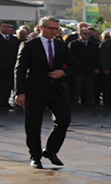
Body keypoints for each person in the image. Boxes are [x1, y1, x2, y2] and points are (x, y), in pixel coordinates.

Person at [14, 16, 78, 169]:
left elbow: (75, 66)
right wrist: (19, 92)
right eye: (51, 28)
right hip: (34, 90)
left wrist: (62, 72)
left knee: (64, 120)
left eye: (57, 29)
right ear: (42, 28)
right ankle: (35, 157)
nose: (55, 31)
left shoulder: (61, 46)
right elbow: (20, 69)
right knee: (33, 125)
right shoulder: (29, 45)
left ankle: (51, 151)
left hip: (56, 89)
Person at [0, 22, 21, 109]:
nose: (6, 28)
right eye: (4, 27)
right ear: (0, 28)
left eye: (8, 27)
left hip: (10, 66)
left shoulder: (14, 40)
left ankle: (5, 101)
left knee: (8, 85)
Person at [68, 28, 99, 106]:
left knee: (88, 87)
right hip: (78, 70)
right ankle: (74, 102)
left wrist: (96, 67)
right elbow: (71, 57)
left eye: (88, 34)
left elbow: (96, 57)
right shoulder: (73, 44)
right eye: (85, 34)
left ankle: (88, 102)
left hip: (89, 70)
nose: (86, 35)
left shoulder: (93, 44)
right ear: (80, 34)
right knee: (76, 87)